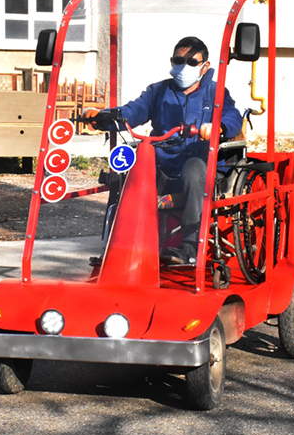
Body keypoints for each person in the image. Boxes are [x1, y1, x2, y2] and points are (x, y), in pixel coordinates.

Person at [86, 36, 243, 265]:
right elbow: (133, 111)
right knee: (131, 173)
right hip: (165, 162)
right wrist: (103, 118)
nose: (183, 67)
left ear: (204, 66)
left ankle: (189, 245)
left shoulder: (215, 92)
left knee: (194, 169)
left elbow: (232, 116)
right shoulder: (159, 91)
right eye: (178, 61)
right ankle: (119, 246)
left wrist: (219, 127)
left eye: (191, 62)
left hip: (199, 161)